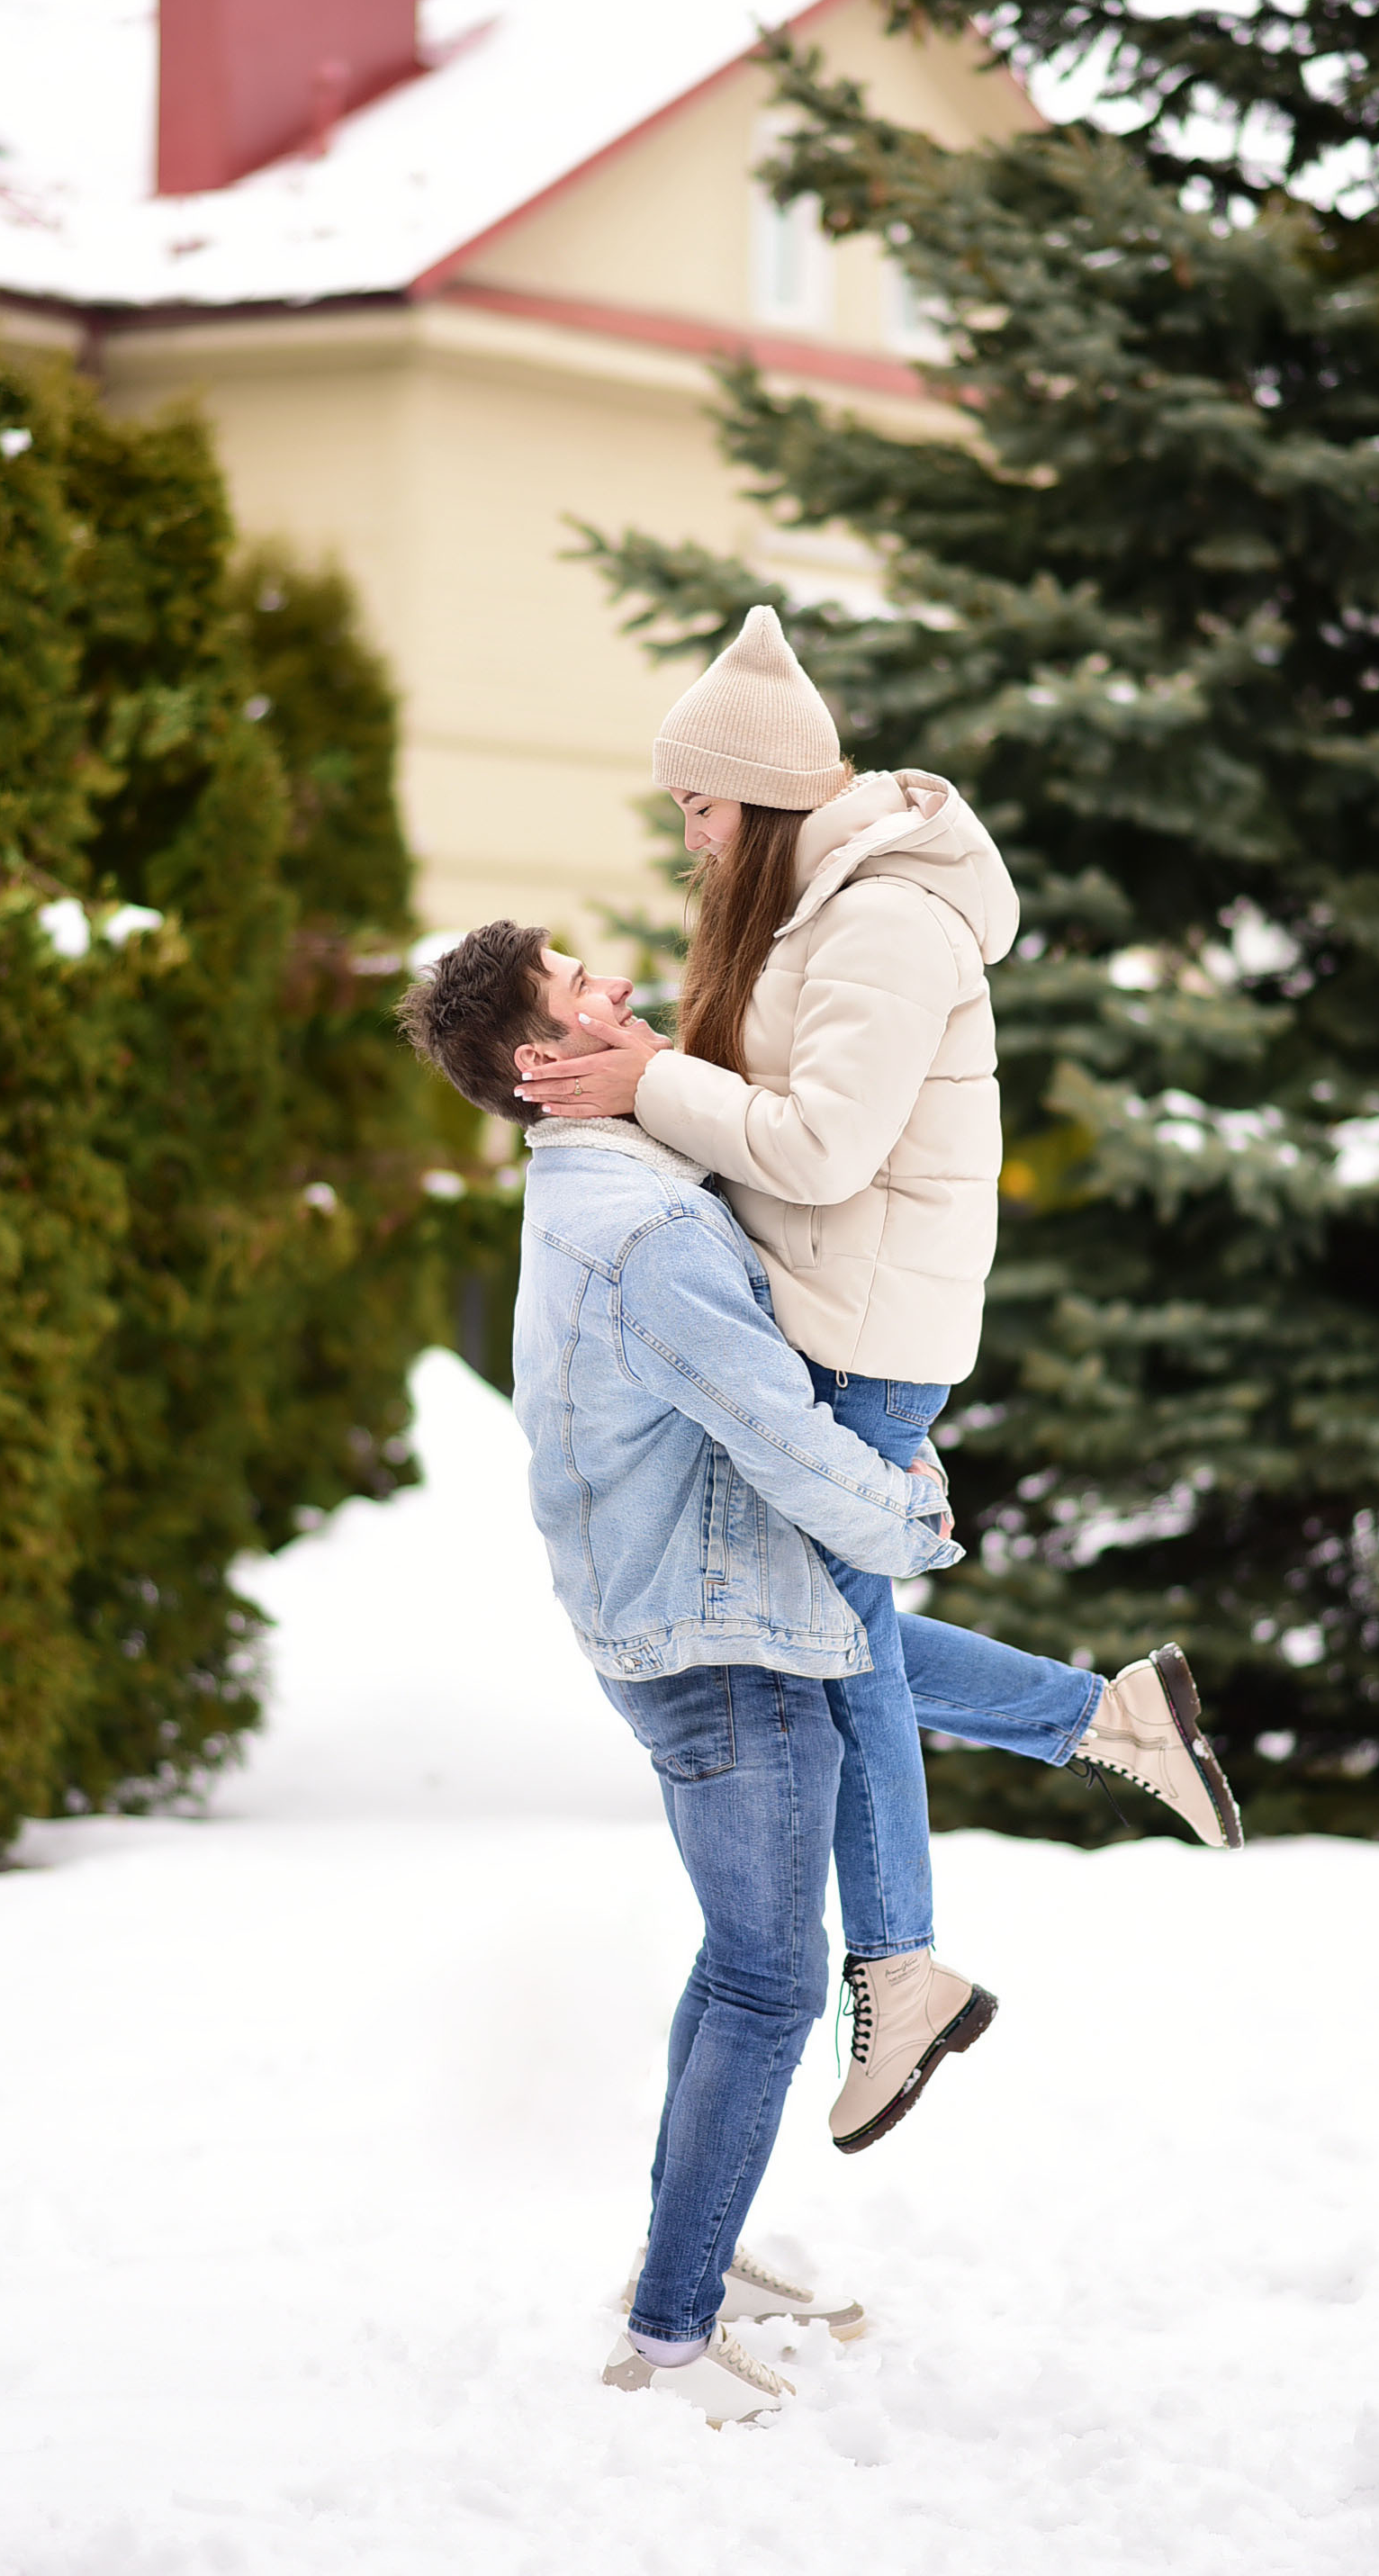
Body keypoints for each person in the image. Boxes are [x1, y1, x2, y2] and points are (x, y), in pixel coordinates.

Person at [510, 608, 1242, 2144]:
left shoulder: (885, 922)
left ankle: (906, 1967)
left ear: (762, 796)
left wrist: (648, 1079)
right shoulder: (805, 911)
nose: (689, 836)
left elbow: (822, 1147)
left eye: (698, 806)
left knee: (840, 1668)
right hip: (824, 1329)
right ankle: (1102, 1727)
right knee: (846, 1648)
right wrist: (637, 1096)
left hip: (860, 1347)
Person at [401, 922, 994, 2425]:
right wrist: (911, 1518)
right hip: (715, 1648)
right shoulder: (642, 1232)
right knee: (770, 1979)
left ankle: (696, 2257)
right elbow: (782, 1431)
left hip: (699, 1623)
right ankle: (665, 2334)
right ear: (543, 1066)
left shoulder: (624, 1180)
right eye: (584, 989)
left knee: (744, 1967)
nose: (625, 994)